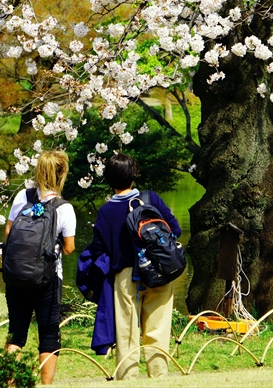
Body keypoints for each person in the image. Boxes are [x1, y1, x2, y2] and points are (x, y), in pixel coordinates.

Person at [91, 153, 182, 380]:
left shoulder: (105, 212)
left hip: (125, 275)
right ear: (133, 175)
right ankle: (158, 378)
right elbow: (175, 230)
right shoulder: (150, 199)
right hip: (159, 270)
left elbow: (100, 249)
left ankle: (127, 379)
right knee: (158, 329)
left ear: (109, 179)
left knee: (126, 332)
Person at [4, 149, 76, 385]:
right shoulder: (64, 208)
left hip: (15, 276)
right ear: (62, 174)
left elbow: (8, 234)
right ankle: (46, 385)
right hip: (47, 279)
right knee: (48, 334)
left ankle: (9, 382)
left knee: (16, 332)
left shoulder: (21, 198)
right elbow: (69, 248)